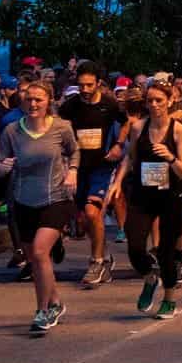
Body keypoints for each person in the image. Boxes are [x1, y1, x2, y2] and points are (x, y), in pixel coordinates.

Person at [0, 80, 79, 334]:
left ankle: (42, 310)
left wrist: (72, 172)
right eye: (29, 99)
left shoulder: (61, 128)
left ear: (49, 100)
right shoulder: (11, 131)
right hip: (23, 199)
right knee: (35, 258)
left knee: (40, 253)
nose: (33, 104)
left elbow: (74, 151)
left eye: (39, 99)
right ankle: (56, 301)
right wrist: (1, 168)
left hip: (56, 197)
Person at [119, 80, 182, 318]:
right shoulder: (138, 127)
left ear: (170, 101)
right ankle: (150, 276)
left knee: (166, 251)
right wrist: (116, 183)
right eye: (149, 100)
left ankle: (169, 299)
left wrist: (170, 157)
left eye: (159, 100)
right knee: (135, 246)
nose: (154, 105)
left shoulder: (178, 130)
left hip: (171, 195)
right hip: (143, 195)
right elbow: (129, 159)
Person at [58, 62, 124, 288]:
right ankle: (104, 254)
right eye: (81, 85)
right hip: (78, 167)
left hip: (101, 166)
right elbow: (59, 125)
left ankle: (96, 262)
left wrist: (118, 145)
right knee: (84, 218)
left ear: (99, 83)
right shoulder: (71, 105)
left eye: (89, 85)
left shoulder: (110, 104)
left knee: (92, 211)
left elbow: (129, 122)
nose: (85, 89)